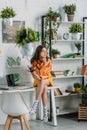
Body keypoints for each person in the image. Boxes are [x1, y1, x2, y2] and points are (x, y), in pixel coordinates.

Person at [29, 45, 53, 122]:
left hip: (47, 79)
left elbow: (46, 73)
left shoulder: (48, 60)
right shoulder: (34, 61)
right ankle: (45, 113)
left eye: (46, 51)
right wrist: (35, 75)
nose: (45, 53)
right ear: (39, 52)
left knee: (43, 81)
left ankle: (35, 105)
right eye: (43, 51)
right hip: (39, 80)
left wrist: (45, 63)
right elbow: (33, 73)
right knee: (44, 89)